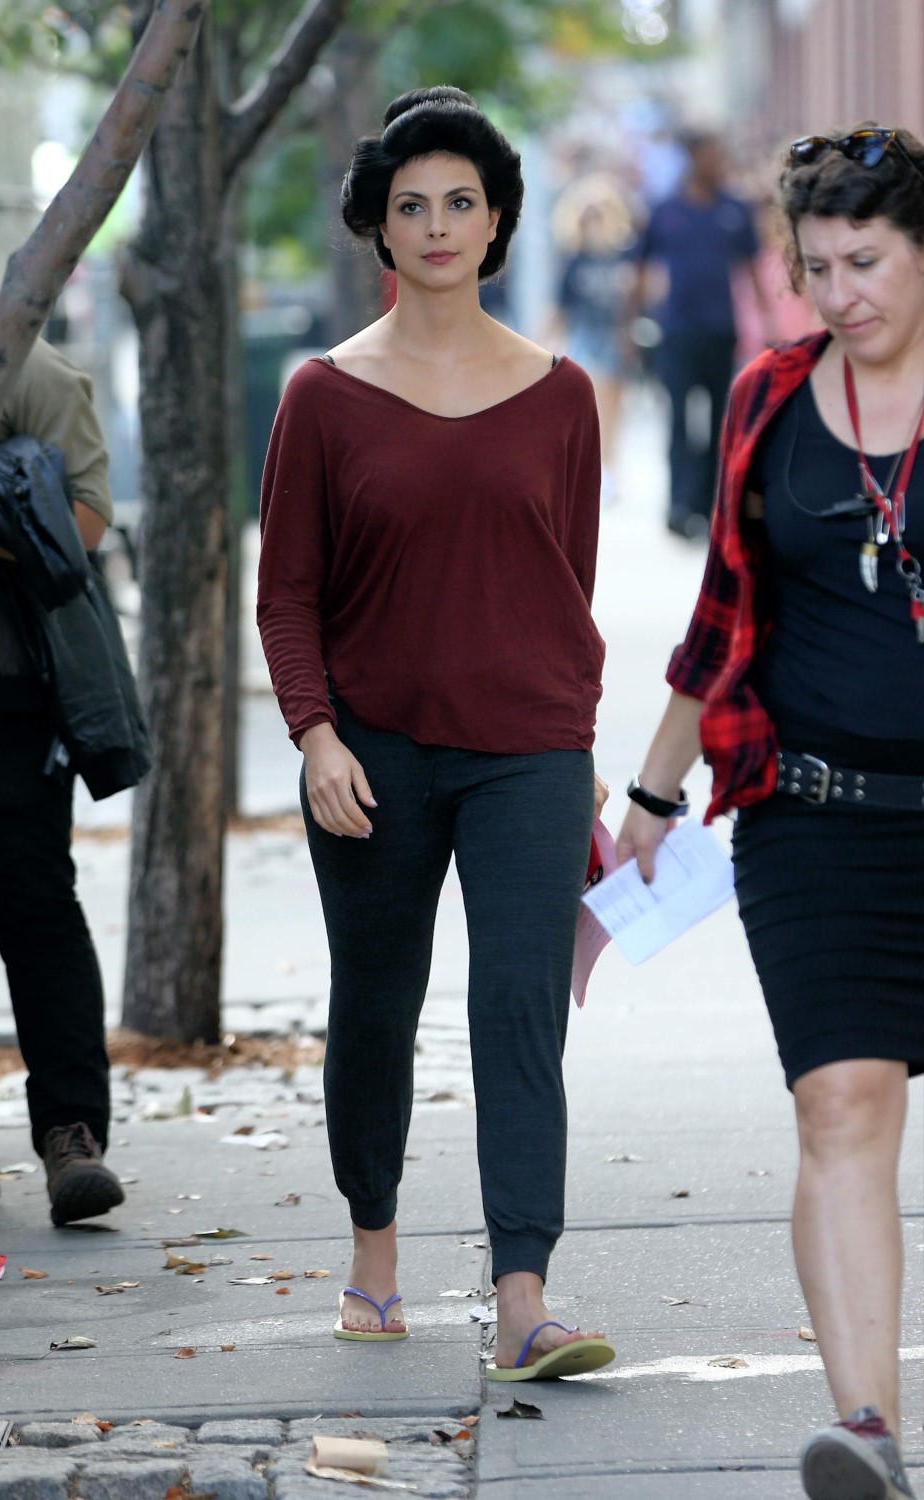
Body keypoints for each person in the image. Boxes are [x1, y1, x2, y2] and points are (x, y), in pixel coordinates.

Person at [257, 86, 615, 1380]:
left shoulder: (562, 394)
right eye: (412, 206)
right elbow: (286, 593)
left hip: (528, 752)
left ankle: (524, 1296)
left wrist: (573, 742)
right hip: (373, 755)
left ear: (499, 219)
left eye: (462, 201)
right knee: (376, 1006)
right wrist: (315, 735)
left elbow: (562, 578)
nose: (438, 224)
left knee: (520, 1011)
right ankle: (375, 1249)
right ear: (381, 229)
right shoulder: (322, 395)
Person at [617, 125, 924, 1499]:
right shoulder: (770, 398)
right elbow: (720, 616)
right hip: (812, 819)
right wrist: (652, 791)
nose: (840, 293)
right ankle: (866, 1429)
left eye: (866, 261)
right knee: (841, 1104)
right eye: (817, 267)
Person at [0, 169, 126, 1227]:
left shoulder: (22, 368)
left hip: (5, 704)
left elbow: (90, 523)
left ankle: (71, 1135)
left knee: (32, 908)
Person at [628, 130, 768, 538]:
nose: (718, 162)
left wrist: (768, 323)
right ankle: (678, 505)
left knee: (719, 420)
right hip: (677, 331)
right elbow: (640, 266)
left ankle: (711, 505)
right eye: (711, 154)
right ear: (691, 157)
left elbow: (752, 268)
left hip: (721, 330)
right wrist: (632, 321)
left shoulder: (736, 209)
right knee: (678, 419)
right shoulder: (665, 209)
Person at [552, 173, 637, 507]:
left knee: (614, 407)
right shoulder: (574, 260)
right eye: (588, 215)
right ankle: (590, 471)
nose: (594, 222)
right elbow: (559, 307)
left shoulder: (624, 257)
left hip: (615, 336)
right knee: (587, 406)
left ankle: (611, 470)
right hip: (584, 336)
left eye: (599, 214)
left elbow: (634, 302)